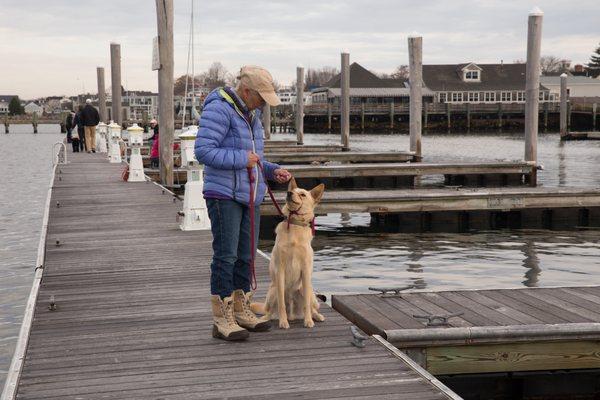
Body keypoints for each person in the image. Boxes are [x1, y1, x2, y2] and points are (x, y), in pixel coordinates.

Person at [195, 65, 291, 341]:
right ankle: (222, 318)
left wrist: (272, 171)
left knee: (246, 256)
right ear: (246, 91)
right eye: (261, 97)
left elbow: (253, 157)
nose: (263, 103)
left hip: (250, 193)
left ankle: (241, 309)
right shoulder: (219, 108)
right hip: (223, 194)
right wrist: (241, 159)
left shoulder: (252, 115)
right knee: (226, 256)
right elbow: (203, 151)